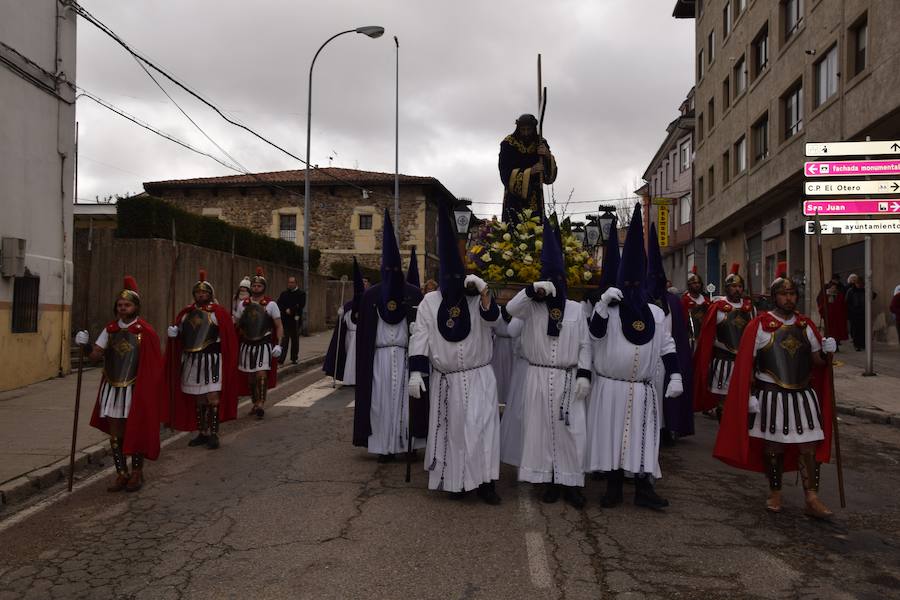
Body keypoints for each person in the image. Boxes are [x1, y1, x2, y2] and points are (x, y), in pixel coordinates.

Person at [714, 263, 837, 518]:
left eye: (793, 294)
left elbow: (817, 362)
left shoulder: (805, 326)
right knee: (774, 447)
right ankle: (775, 492)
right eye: (784, 294)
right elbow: (748, 363)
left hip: (803, 394)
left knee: (808, 447)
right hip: (771, 394)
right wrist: (748, 396)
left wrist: (828, 351)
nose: (789, 298)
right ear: (774, 298)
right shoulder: (760, 325)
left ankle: (812, 498)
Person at [584, 206, 683, 511]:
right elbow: (595, 335)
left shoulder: (654, 312)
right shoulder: (609, 309)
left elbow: (667, 344)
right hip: (611, 387)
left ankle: (643, 488)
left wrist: (675, 374)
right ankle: (613, 488)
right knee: (612, 437)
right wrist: (601, 305)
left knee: (643, 438)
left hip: (642, 389)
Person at [408, 203, 502, 503]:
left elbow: (494, 321)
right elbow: (420, 337)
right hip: (446, 379)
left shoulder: (476, 297)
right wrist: (415, 372)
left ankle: (487, 482)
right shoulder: (429, 303)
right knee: (454, 431)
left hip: (479, 376)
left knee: (483, 429)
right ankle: (456, 480)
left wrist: (485, 292)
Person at [506, 217, 591, 508]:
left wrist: (584, 375)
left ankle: (573, 483)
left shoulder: (576, 309)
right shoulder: (531, 308)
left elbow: (585, 344)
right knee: (542, 430)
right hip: (539, 377)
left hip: (567, 377)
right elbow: (510, 309)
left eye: (558, 280)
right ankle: (551, 480)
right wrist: (532, 290)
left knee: (571, 430)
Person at [74, 276, 166, 492]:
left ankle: (137, 472)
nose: (123, 308)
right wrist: (85, 345)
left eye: (127, 305)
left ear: (136, 307)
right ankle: (121, 473)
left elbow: (153, 366)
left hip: (136, 388)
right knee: (116, 432)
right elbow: (96, 356)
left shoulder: (146, 332)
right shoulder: (110, 329)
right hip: (113, 387)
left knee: (136, 428)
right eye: (120, 305)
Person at [353, 210, 426, 462]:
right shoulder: (371, 296)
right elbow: (363, 333)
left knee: (408, 402)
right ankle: (383, 446)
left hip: (406, 357)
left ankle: (409, 443)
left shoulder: (414, 294)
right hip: (380, 359)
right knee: (381, 402)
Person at [166, 270, 240, 450]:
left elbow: (228, 337)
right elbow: (183, 336)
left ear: (210, 294)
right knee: (199, 398)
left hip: (212, 360)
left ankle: (213, 434)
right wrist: (174, 334)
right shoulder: (186, 314)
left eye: (205, 292)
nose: (201, 294)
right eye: (198, 292)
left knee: (213, 397)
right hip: (193, 360)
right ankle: (203, 431)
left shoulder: (218, 313)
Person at [647, 223, 694, 443]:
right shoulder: (643, 303)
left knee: (668, 393)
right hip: (647, 358)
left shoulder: (674, 302)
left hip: (668, 356)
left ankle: (669, 427)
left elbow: (680, 333)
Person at [692, 264, 755, 421]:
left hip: (745, 361)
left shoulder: (750, 309)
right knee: (724, 402)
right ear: (727, 288)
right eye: (733, 286)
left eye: (740, 286)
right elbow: (708, 336)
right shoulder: (718, 308)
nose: (737, 289)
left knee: (744, 401)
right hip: (724, 360)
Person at [234, 267, 283, 419]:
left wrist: (278, 344)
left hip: (264, 343)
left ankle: (261, 404)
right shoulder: (244, 304)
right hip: (247, 344)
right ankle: (254, 402)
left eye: (259, 286)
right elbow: (238, 323)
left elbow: (279, 325)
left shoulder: (271, 304)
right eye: (254, 286)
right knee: (251, 376)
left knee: (261, 373)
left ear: (264, 288)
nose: (256, 288)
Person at [499, 113, 557, 221]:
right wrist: (530, 172)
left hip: (535, 196)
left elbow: (549, 177)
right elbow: (505, 173)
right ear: (518, 128)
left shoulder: (540, 143)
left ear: (533, 129)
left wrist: (547, 156)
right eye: (523, 129)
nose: (526, 133)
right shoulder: (508, 144)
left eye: (528, 129)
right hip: (514, 198)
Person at [323, 258, 364, 386]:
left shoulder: (368, 304)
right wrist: (341, 315)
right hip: (349, 336)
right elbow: (342, 325)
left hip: (361, 336)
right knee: (348, 357)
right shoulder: (347, 306)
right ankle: (349, 377)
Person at [276, 276, 305, 365]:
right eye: (289, 282)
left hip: (295, 321)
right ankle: (281, 358)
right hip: (285, 320)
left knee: (295, 340)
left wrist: (291, 310)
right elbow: (279, 303)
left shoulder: (301, 293)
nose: (290, 284)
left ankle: (294, 358)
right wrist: (285, 310)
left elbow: (301, 305)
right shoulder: (284, 294)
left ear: (296, 283)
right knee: (284, 341)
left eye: (292, 282)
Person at [681, 266, 709, 351]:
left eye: (698, 283)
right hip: (689, 339)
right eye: (694, 283)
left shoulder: (706, 301)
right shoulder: (684, 301)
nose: (697, 285)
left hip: (705, 338)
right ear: (689, 285)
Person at [846, 274, 875, 351]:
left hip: (864, 312)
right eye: (858, 283)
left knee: (863, 329)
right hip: (854, 313)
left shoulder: (865, 290)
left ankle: (863, 344)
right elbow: (847, 302)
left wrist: (869, 290)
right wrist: (851, 310)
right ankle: (857, 345)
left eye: (861, 284)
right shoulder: (851, 291)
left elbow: (874, 296)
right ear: (855, 283)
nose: (859, 285)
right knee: (856, 330)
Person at [816, 279, 848, 349]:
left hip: (837, 316)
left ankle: (835, 345)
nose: (834, 288)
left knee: (836, 332)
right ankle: (829, 346)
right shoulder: (825, 294)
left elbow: (842, 304)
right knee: (829, 332)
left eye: (835, 287)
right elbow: (820, 301)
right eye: (832, 287)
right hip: (829, 316)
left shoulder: (839, 294)